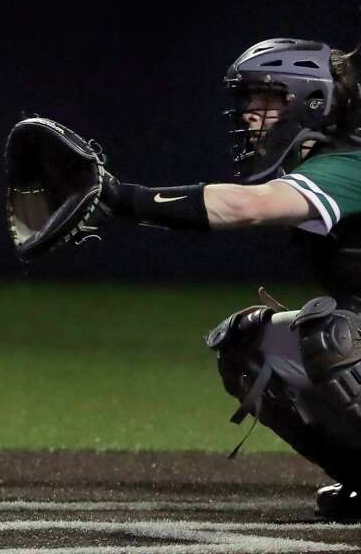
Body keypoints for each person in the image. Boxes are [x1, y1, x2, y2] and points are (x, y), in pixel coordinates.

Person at [93, 37, 361, 519]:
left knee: (334, 338)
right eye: (249, 98)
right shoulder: (327, 162)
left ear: (312, 101)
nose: (250, 112)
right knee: (249, 346)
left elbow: (244, 207)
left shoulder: (348, 165)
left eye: (269, 97)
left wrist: (120, 197)